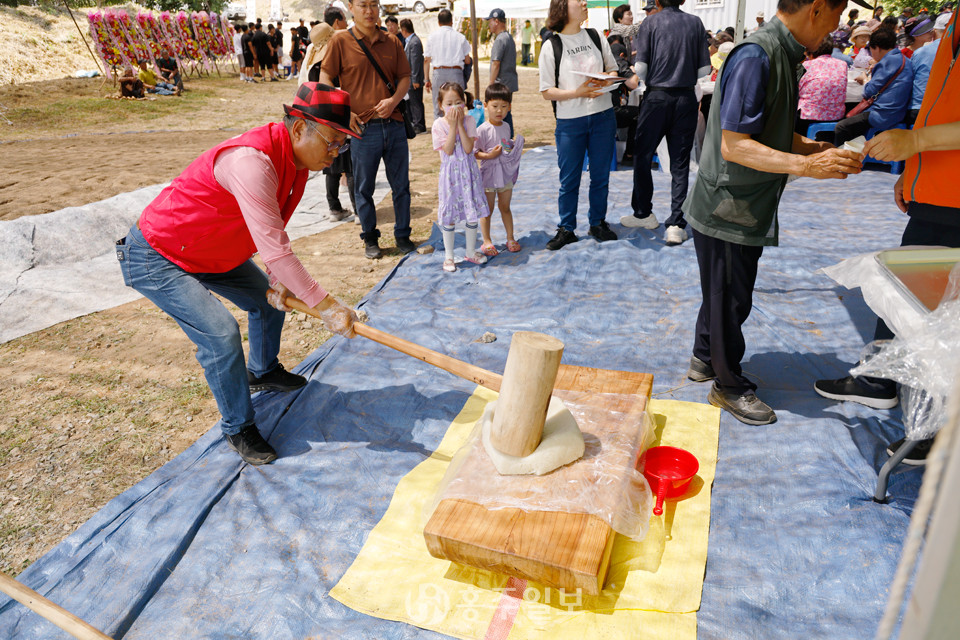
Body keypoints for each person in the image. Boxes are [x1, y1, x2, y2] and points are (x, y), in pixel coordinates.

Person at [115, 83, 361, 465]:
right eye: (332, 142)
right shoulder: (252, 163)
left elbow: (272, 232)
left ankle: (262, 371)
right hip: (159, 253)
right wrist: (327, 306)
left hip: (210, 251)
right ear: (299, 129)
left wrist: (279, 279)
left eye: (341, 145)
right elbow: (277, 250)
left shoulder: (296, 163)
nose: (335, 153)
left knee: (268, 303)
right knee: (220, 334)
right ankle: (237, 426)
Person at [682, 0, 862, 425]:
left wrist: (813, 148)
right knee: (730, 298)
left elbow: (767, 129)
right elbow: (735, 145)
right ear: (816, 9)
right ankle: (728, 386)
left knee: (722, 290)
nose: (837, 27)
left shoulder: (782, 54)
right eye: (836, 15)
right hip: (729, 207)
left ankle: (705, 357)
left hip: (744, 202)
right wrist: (805, 166)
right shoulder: (757, 56)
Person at [815, 9, 960, 464]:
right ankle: (879, 379)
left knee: (944, 314)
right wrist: (913, 171)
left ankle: (940, 426)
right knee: (906, 290)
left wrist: (914, 144)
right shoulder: (951, 26)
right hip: (938, 191)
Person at [320, 0, 416, 260]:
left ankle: (403, 235)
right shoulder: (340, 41)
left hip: (394, 125)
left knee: (401, 186)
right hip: (362, 129)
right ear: (351, 7)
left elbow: (405, 77)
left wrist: (393, 101)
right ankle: (370, 238)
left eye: (373, 4)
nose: (369, 10)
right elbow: (325, 77)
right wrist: (343, 111)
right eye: (362, 5)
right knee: (363, 189)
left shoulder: (392, 41)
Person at [539, 0, 634, 250]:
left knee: (600, 176)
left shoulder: (595, 36)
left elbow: (613, 70)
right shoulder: (552, 45)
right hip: (570, 121)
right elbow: (547, 91)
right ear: (562, 7)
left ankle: (597, 222)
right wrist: (577, 92)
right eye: (578, 0)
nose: (584, 3)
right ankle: (566, 228)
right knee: (569, 180)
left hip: (603, 117)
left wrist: (606, 81)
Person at [621, 0, 711, 247]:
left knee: (642, 155)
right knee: (680, 163)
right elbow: (705, 69)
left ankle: (643, 213)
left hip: (657, 97)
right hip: (685, 98)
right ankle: (676, 224)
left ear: (658, 1)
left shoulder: (650, 23)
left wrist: (660, 75)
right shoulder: (695, 23)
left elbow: (641, 67)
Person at [432, 83, 489, 272]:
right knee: (449, 215)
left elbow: (468, 148)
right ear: (441, 105)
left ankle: (470, 251)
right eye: (449, 104)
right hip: (450, 176)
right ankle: (449, 256)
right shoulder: (438, 125)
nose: (454, 107)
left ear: (464, 103)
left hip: (469, 173)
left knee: (471, 212)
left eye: (458, 102)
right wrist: (452, 126)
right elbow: (448, 150)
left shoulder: (470, 121)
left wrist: (460, 126)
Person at [834, 28, 913, 146]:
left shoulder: (886, 62)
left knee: (842, 127)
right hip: (899, 112)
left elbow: (868, 92)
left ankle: (843, 156)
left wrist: (865, 79)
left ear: (877, 48)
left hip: (882, 114)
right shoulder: (905, 60)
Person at [476, 82, 525, 256]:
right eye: (495, 106)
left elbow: (506, 144)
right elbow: (475, 152)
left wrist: (512, 147)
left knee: (505, 206)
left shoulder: (506, 126)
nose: (499, 111)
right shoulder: (482, 130)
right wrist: (489, 156)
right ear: (486, 105)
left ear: (509, 107)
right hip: (488, 175)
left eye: (504, 107)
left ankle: (510, 238)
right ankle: (487, 241)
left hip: (505, 175)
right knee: (487, 210)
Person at [796, 36, 848, 140]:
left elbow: (796, 90)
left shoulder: (805, 65)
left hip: (808, 117)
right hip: (836, 116)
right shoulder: (843, 64)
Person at [425, 9, 472, 119]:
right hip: (456, 73)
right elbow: (467, 60)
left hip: (438, 73)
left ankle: (439, 129)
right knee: (458, 105)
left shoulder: (431, 37)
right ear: (451, 21)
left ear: (438, 22)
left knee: (438, 106)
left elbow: (426, 60)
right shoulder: (460, 37)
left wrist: (426, 79)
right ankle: (458, 128)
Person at [487, 8, 518, 137]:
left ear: (496, 21)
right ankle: (508, 137)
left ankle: (507, 138)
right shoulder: (509, 37)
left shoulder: (500, 39)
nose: (489, 25)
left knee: (501, 112)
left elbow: (496, 63)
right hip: (509, 82)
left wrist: (491, 84)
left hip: (501, 83)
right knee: (506, 110)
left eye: (490, 21)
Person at [401, 18, 426, 134]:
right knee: (412, 101)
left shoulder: (414, 42)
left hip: (414, 79)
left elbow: (415, 62)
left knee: (416, 102)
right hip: (410, 78)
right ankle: (416, 123)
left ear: (404, 30)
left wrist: (415, 79)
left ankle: (419, 125)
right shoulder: (410, 41)